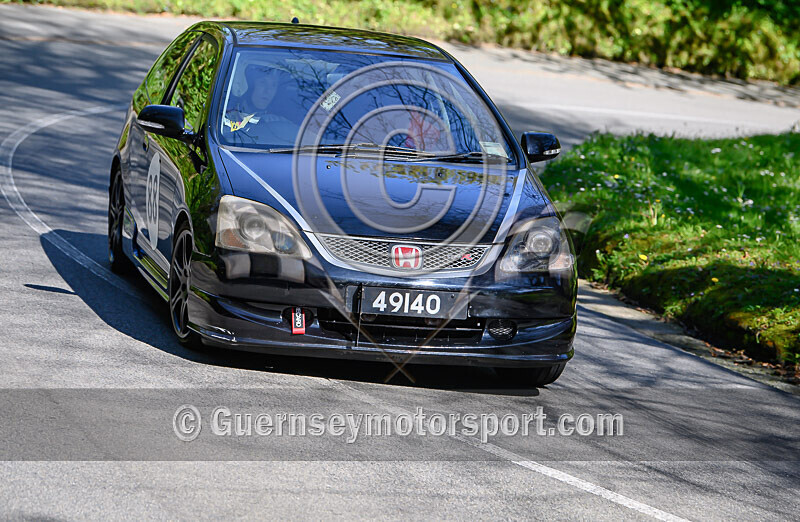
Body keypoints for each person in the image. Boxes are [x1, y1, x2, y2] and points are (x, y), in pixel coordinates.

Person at [222, 64, 296, 141]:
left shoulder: (278, 123)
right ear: (250, 85)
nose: (268, 91)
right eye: (263, 82)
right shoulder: (223, 117)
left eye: (273, 85)